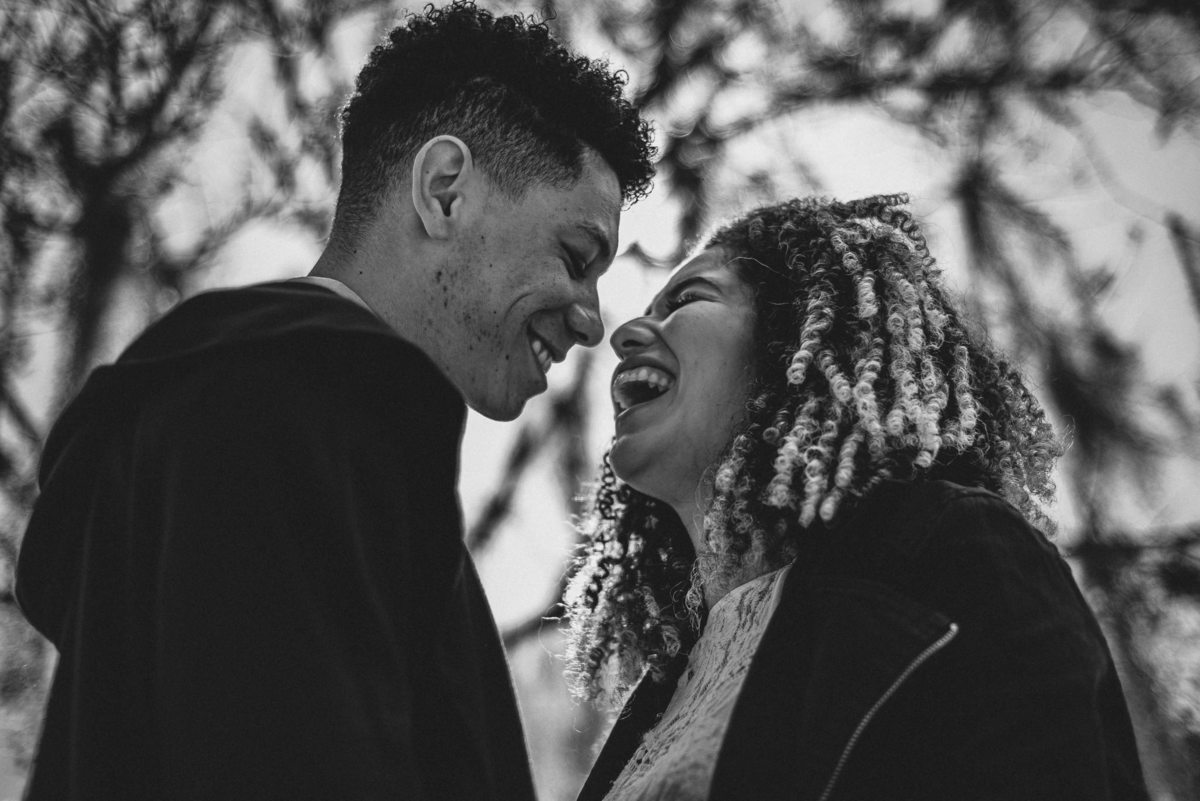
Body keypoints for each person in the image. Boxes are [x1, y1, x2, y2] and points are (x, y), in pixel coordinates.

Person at [15, 3, 654, 799]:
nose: (592, 319)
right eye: (575, 254)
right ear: (446, 190)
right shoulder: (288, 410)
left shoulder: (277, 435)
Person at [564, 195, 1149, 801]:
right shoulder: (663, 694)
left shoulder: (950, 551)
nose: (627, 333)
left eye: (687, 299)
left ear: (795, 339)